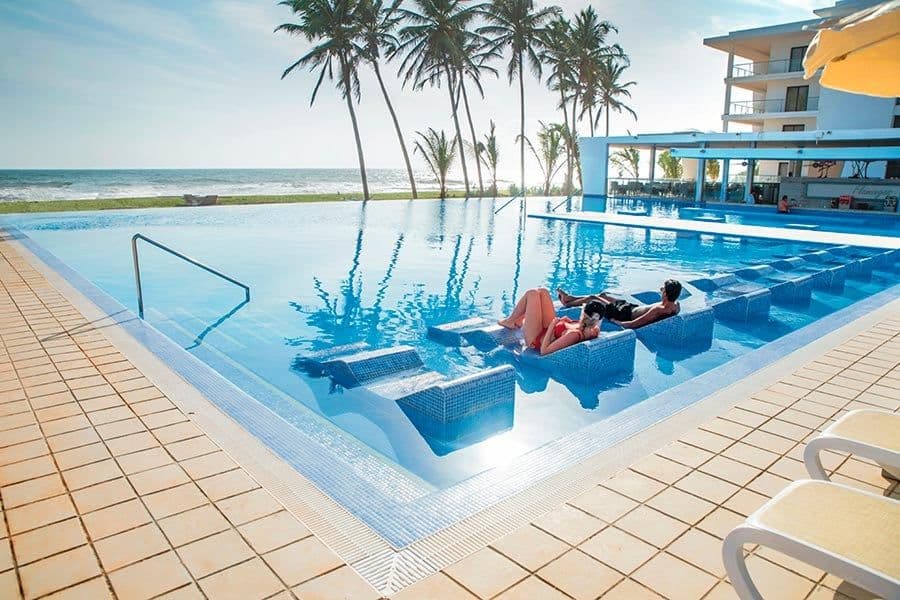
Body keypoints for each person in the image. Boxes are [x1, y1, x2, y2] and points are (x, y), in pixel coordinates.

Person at [498, 288, 602, 355]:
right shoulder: (594, 329)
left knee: (532, 294)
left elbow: (544, 351)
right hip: (549, 330)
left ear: (583, 312)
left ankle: (511, 321)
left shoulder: (574, 334)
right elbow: (584, 326)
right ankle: (518, 320)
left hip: (536, 339)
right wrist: (568, 322)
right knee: (543, 291)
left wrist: (552, 326)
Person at [557, 279, 682, 329]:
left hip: (622, 314)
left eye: (662, 289)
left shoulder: (660, 309)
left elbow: (635, 323)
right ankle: (570, 298)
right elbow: (674, 308)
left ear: (666, 294)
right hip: (629, 308)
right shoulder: (675, 306)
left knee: (594, 298)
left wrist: (617, 322)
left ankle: (568, 303)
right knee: (603, 295)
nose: (660, 290)